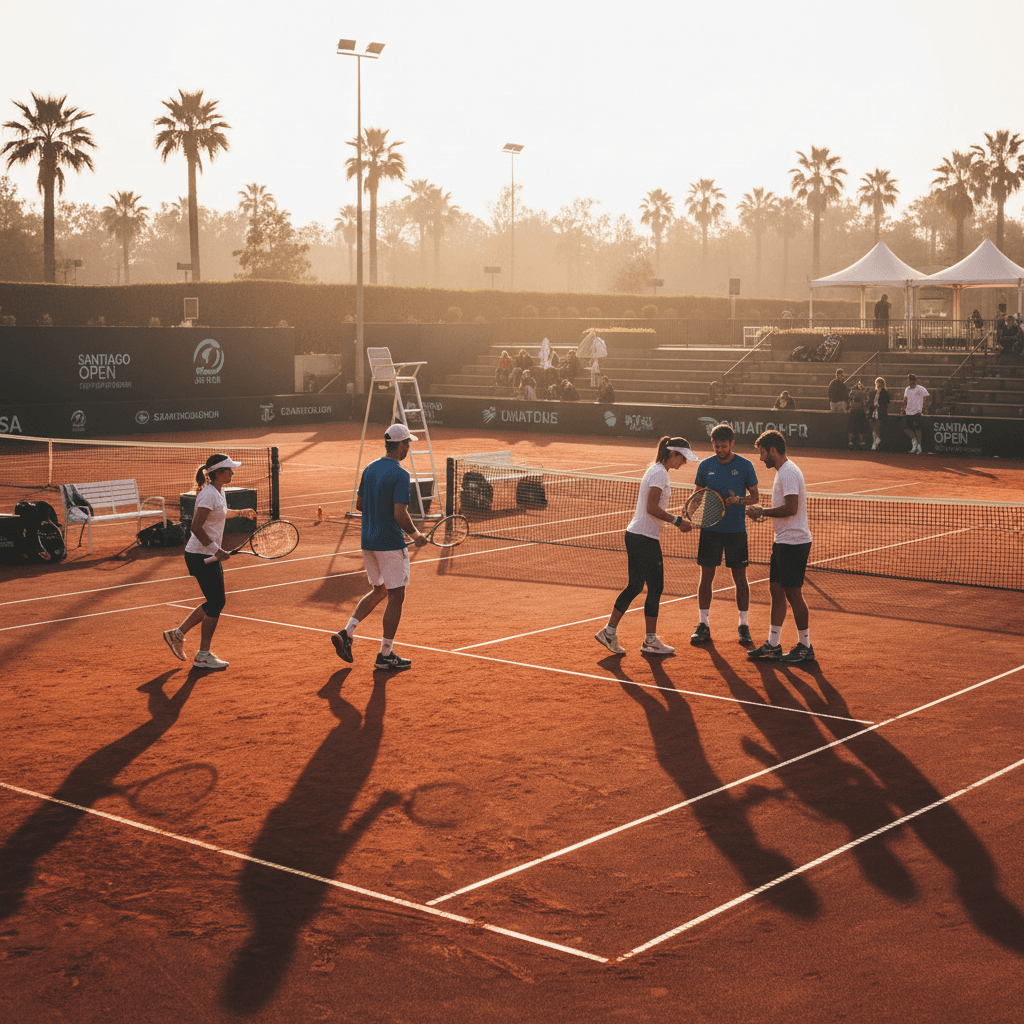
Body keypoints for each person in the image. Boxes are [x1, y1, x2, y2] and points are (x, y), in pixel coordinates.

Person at [330, 424, 428, 671]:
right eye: (409, 444)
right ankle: (386, 654)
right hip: (389, 542)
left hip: (368, 541)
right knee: (396, 595)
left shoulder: (370, 468)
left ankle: (347, 632)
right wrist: (415, 534)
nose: (409, 448)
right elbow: (400, 512)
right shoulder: (401, 474)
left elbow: (361, 504)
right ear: (401, 444)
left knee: (380, 590)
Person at [594, 436, 696, 656]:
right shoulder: (659, 473)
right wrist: (677, 521)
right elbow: (652, 507)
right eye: (682, 458)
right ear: (672, 454)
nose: (683, 463)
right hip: (644, 538)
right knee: (655, 588)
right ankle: (649, 640)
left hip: (636, 535)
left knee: (635, 586)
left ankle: (609, 631)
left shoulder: (655, 470)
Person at [163, 454, 257, 671]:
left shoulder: (218, 491)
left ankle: (177, 635)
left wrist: (241, 512)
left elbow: (220, 514)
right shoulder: (208, 495)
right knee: (216, 603)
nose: (232, 472)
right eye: (229, 470)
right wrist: (217, 550)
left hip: (205, 555)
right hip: (200, 556)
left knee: (214, 602)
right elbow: (196, 527)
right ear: (217, 472)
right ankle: (202, 655)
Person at [744, 430, 814, 663]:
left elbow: (791, 508)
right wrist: (762, 513)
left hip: (795, 542)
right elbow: (784, 510)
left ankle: (805, 646)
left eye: (762, 453)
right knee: (776, 590)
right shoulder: (782, 472)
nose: (761, 457)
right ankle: (773, 645)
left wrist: (762, 511)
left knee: (793, 593)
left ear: (772, 450)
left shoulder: (789, 473)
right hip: (783, 541)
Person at [690, 423, 760, 646]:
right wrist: (690, 516)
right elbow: (697, 496)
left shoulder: (745, 466)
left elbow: (755, 497)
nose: (719, 450)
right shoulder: (705, 466)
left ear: (732, 444)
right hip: (710, 529)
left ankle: (743, 626)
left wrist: (738, 500)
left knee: (740, 579)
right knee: (706, 577)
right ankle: (703, 625)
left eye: (723, 446)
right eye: (716, 446)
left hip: (736, 530)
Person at [900, 373, 930, 455]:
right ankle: (914, 442)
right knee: (905, 427)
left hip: (917, 412)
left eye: (913, 380)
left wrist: (924, 408)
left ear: (915, 381)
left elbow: (927, 397)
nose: (911, 381)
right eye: (910, 380)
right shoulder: (907, 389)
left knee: (917, 429)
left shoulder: (920, 388)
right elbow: (905, 400)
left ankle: (919, 446)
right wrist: (902, 409)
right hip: (908, 412)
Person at [869, 376, 890, 451]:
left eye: (880, 383)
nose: (878, 385)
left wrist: (880, 406)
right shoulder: (873, 392)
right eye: (877, 383)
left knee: (878, 426)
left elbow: (887, 403)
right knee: (872, 425)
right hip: (873, 411)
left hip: (880, 412)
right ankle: (876, 440)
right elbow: (870, 401)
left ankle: (876, 442)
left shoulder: (885, 393)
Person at [847, 380, 868, 450]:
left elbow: (849, 399)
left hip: (853, 411)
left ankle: (851, 442)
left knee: (851, 428)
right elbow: (865, 402)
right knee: (861, 428)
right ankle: (862, 443)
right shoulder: (863, 392)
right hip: (860, 411)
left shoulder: (853, 392)